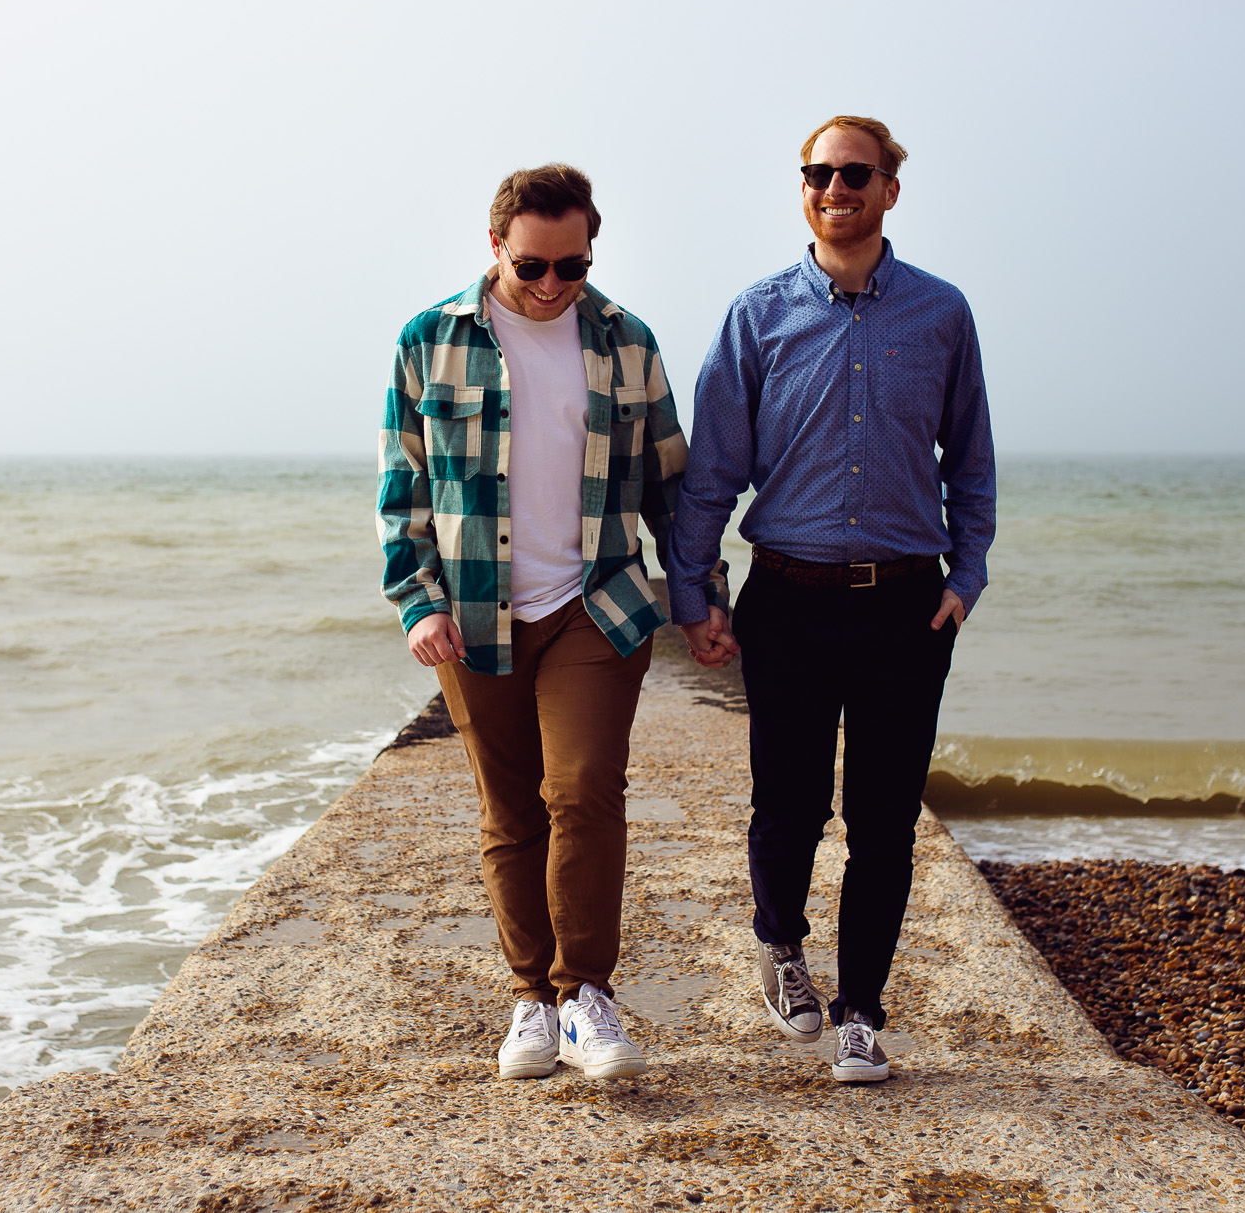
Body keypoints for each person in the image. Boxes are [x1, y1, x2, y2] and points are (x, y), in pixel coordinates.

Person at [377, 163, 725, 1082]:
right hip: (475, 610)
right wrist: (417, 600)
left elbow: (672, 485)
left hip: (594, 604)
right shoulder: (429, 340)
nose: (551, 287)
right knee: (510, 808)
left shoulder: (623, 341)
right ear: (496, 247)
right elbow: (400, 487)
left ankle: (588, 995)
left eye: (571, 267)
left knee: (582, 790)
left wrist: (700, 600)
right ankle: (531, 998)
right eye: (533, 266)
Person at [667, 116, 996, 1083]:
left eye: (855, 172)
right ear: (802, 188)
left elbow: (970, 457)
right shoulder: (758, 315)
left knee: (885, 816)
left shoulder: (942, 314)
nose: (834, 186)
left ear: (891, 188)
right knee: (791, 804)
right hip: (791, 602)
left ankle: (860, 1009)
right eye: (818, 172)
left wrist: (966, 576)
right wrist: (696, 592)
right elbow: (711, 473)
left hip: (906, 607)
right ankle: (781, 946)